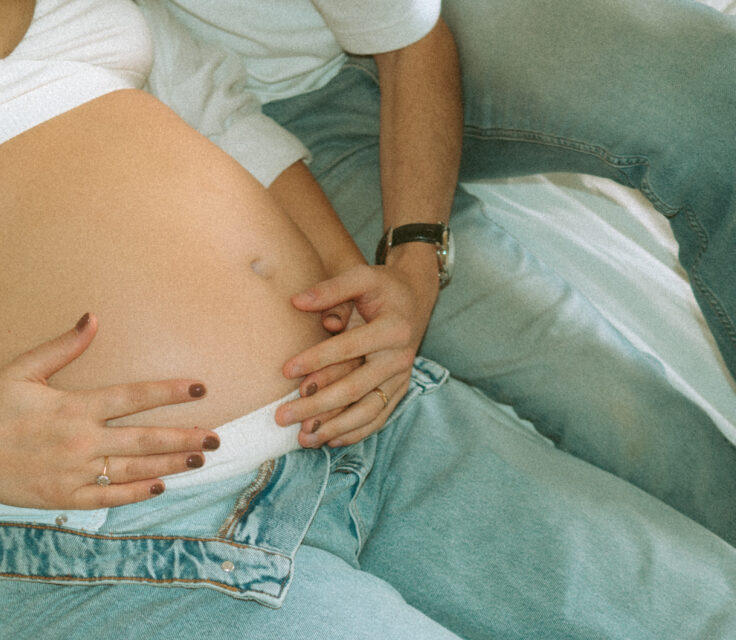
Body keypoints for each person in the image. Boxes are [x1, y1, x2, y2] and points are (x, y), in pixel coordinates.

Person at [0, 1, 736, 640]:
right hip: (132, 547)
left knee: (707, 628)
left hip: (377, 430)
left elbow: (227, 118)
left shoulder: (102, 8)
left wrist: (367, 302)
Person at [148, 0, 736, 521]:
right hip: (263, 119)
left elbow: (410, 45)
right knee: (587, 383)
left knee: (714, 92)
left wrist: (417, 261)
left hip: (428, 25)